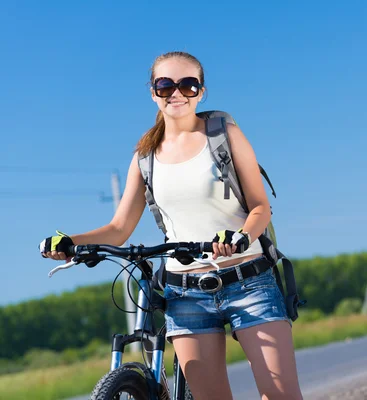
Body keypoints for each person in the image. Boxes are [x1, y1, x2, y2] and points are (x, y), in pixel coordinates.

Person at [39, 51, 303, 400]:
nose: (176, 93)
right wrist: (69, 240)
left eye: (187, 85)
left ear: (201, 92)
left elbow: (260, 207)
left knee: (281, 395)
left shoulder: (224, 135)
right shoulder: (144, 156)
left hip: (248, 280)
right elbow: (119, 228)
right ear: (153, 92)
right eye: (165, 85)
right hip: (185, 292)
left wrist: (240, 237)